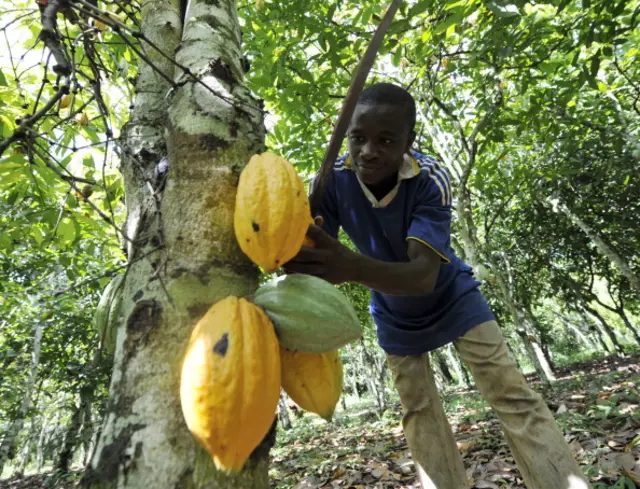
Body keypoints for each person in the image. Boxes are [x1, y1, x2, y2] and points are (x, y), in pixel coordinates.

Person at [283, 82, 590, 489]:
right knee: (419, 410)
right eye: (358, 138)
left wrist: (348, 266)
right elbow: (311, 254)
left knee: (511, 395)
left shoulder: (430, 178)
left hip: (452, 298)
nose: (368, 151)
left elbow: (423, 275)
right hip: (392, 312)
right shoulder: (332, 182)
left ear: (409, 142)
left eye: (386, 140)